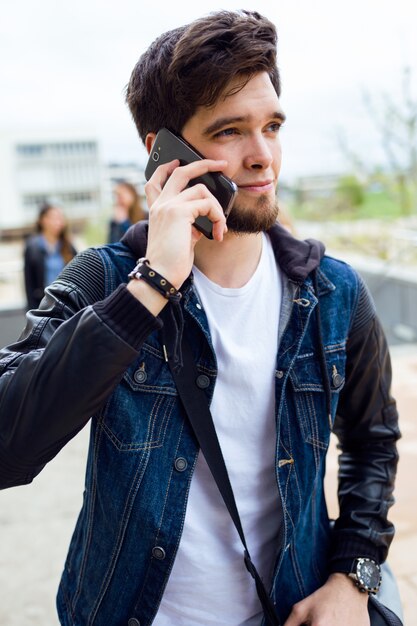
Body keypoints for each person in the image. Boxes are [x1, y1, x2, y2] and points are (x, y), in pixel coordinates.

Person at [0, 10, 400, 626]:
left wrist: (354, 576)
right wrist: (151, 287)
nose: (263, 156)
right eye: (231, 131)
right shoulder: (106, 280)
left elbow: (372, 444)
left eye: (272, 125)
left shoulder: (335, 294)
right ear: (163, 151)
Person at [23, 202, 77, 309]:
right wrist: (31, 310)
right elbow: (29, 284)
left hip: (66, 304)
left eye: (61, 218)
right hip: (43, 304)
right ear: (43, 220)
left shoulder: (68, 245)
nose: (59, 222)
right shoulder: (32, 246)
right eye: (54, 218)